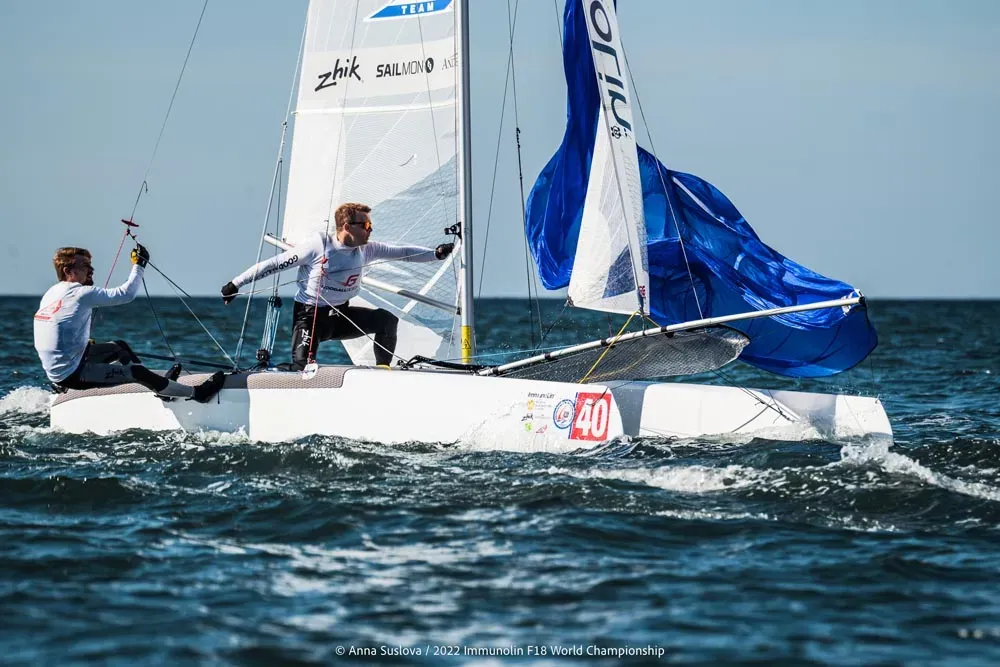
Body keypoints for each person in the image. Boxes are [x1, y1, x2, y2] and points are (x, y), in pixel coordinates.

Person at [221, 202, 454, 369]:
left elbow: (402, 252)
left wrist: (435, 254)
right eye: (366, 225)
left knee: (386, 321)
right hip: (310, 318)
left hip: (342, 316)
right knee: (302, 368)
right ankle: (276, 372)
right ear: (347, 226)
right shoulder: (319, 246)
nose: (370, 229)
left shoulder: (366, 249)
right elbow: (274, 265)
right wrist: (235, 284)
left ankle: (383, 373)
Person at [34, 245, 226, 402]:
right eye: (85, 265)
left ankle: (159, 387)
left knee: (119, 348)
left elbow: (58, 326)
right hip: (72, 373)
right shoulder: (80, 293)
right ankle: (197, 394)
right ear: (68, 271)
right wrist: (139, 265)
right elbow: (126, 294)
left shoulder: (52, 293)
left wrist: (82, 345)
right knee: (136, 372)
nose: (91, 270)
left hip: (62, 367)